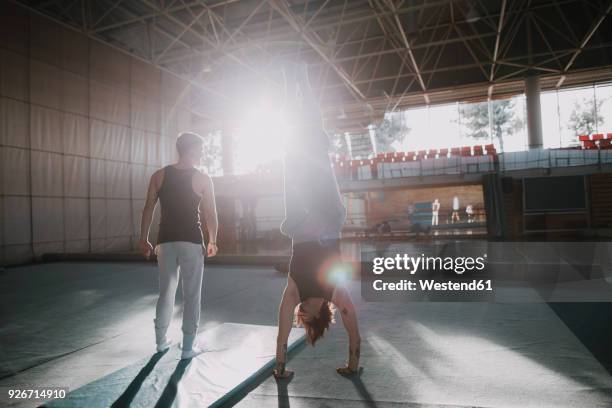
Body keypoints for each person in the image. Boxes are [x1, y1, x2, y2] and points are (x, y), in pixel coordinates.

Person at [274, 62, 361, 379]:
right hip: (326, 218)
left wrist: (281, 367)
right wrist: (353, 365)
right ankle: (304, 77)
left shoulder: (294, 293)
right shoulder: (335, 294)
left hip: (299, 221)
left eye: (299, 317)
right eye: (305, 318)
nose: (299, 314)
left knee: (291, 145)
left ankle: (288, 79)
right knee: (313, 138)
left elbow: (282, 332)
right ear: (318, 315)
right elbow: (354, 330)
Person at [138, 132, 219, 359]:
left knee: (166, 291)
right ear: (191, 150)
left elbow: (148, 208)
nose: (202, 154)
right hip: (191, 241)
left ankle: (161, 342)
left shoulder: (159, 175)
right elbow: (210, 212)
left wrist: (143, 238)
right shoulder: (203, 178)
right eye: (200, 150)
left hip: (165, 240)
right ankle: (187, 348)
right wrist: (212, 240)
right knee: (192, 294)